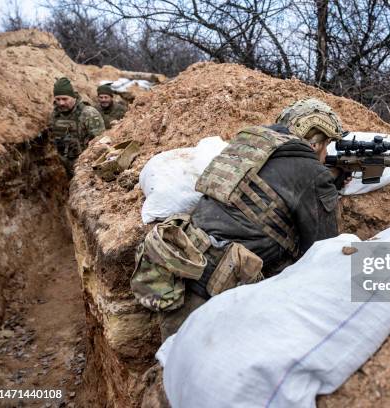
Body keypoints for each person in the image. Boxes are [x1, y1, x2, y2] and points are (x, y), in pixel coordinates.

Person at [133, 98, 346, 340]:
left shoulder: (247, 144)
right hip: (222, 291)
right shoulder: (312, 172)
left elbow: (264, 193)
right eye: (326, 144)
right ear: (314, 140)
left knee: (176, 365)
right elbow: (322, 251)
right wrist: (325, 188)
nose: (326, 153)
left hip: (183, 268)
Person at [48, 77, 105, 177]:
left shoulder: (88, 113)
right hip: (66, 164)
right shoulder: (55, 114)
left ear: (73, 97)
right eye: (58, 99)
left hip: (86, 167)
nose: (61, 103)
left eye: (65, 99)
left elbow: (101, 143)